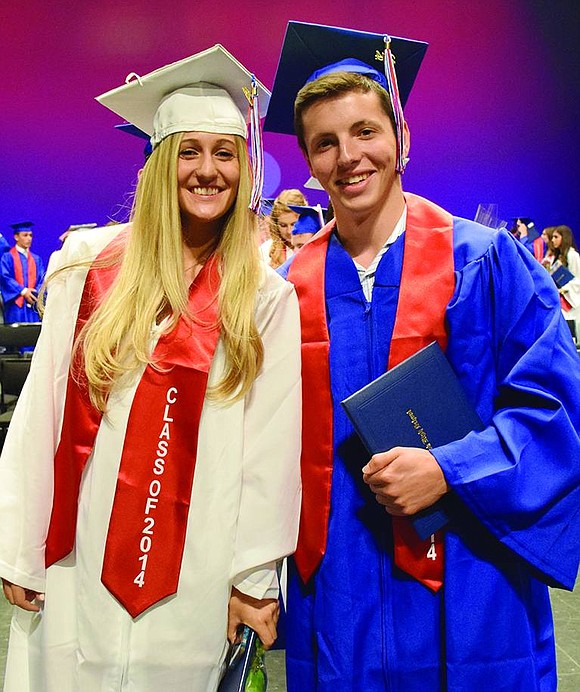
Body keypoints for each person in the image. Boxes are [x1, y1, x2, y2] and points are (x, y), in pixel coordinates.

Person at [264, 21, 580, 691]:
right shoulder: (286, 290)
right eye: (326, 143)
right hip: (339, 586)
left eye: (365, 132)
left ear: (402, 139)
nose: (349, 156)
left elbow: (557, 413)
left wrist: (450, 468)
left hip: (471, 574)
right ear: (311, 165)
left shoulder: (487, 264)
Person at [0, 45, 302, 692]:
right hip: (77, 550)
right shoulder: (87, 267)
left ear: (244, 171)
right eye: (188, 151)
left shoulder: (265, 296)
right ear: (161, 164)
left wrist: (252, 582)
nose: (207, 170)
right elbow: (42, 411)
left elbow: (270, 451)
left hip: (197, 560)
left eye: (224, 153)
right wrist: (19, 545)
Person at [0, 222, 45, 324]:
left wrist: (34, 292)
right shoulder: (7, 257)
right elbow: (5, 277)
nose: (29, 238)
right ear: (16, 237)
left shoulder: (36, 259)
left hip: (33, 304)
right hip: (15, 306)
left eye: (30, 235)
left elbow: (42, 279)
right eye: (25, 235)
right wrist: (23, 291)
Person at [259, 189, 307, 268]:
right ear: (276, 224)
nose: (289, 231)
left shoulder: (316, 248)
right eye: (283, 225)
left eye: (293, 224)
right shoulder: (264, 251)